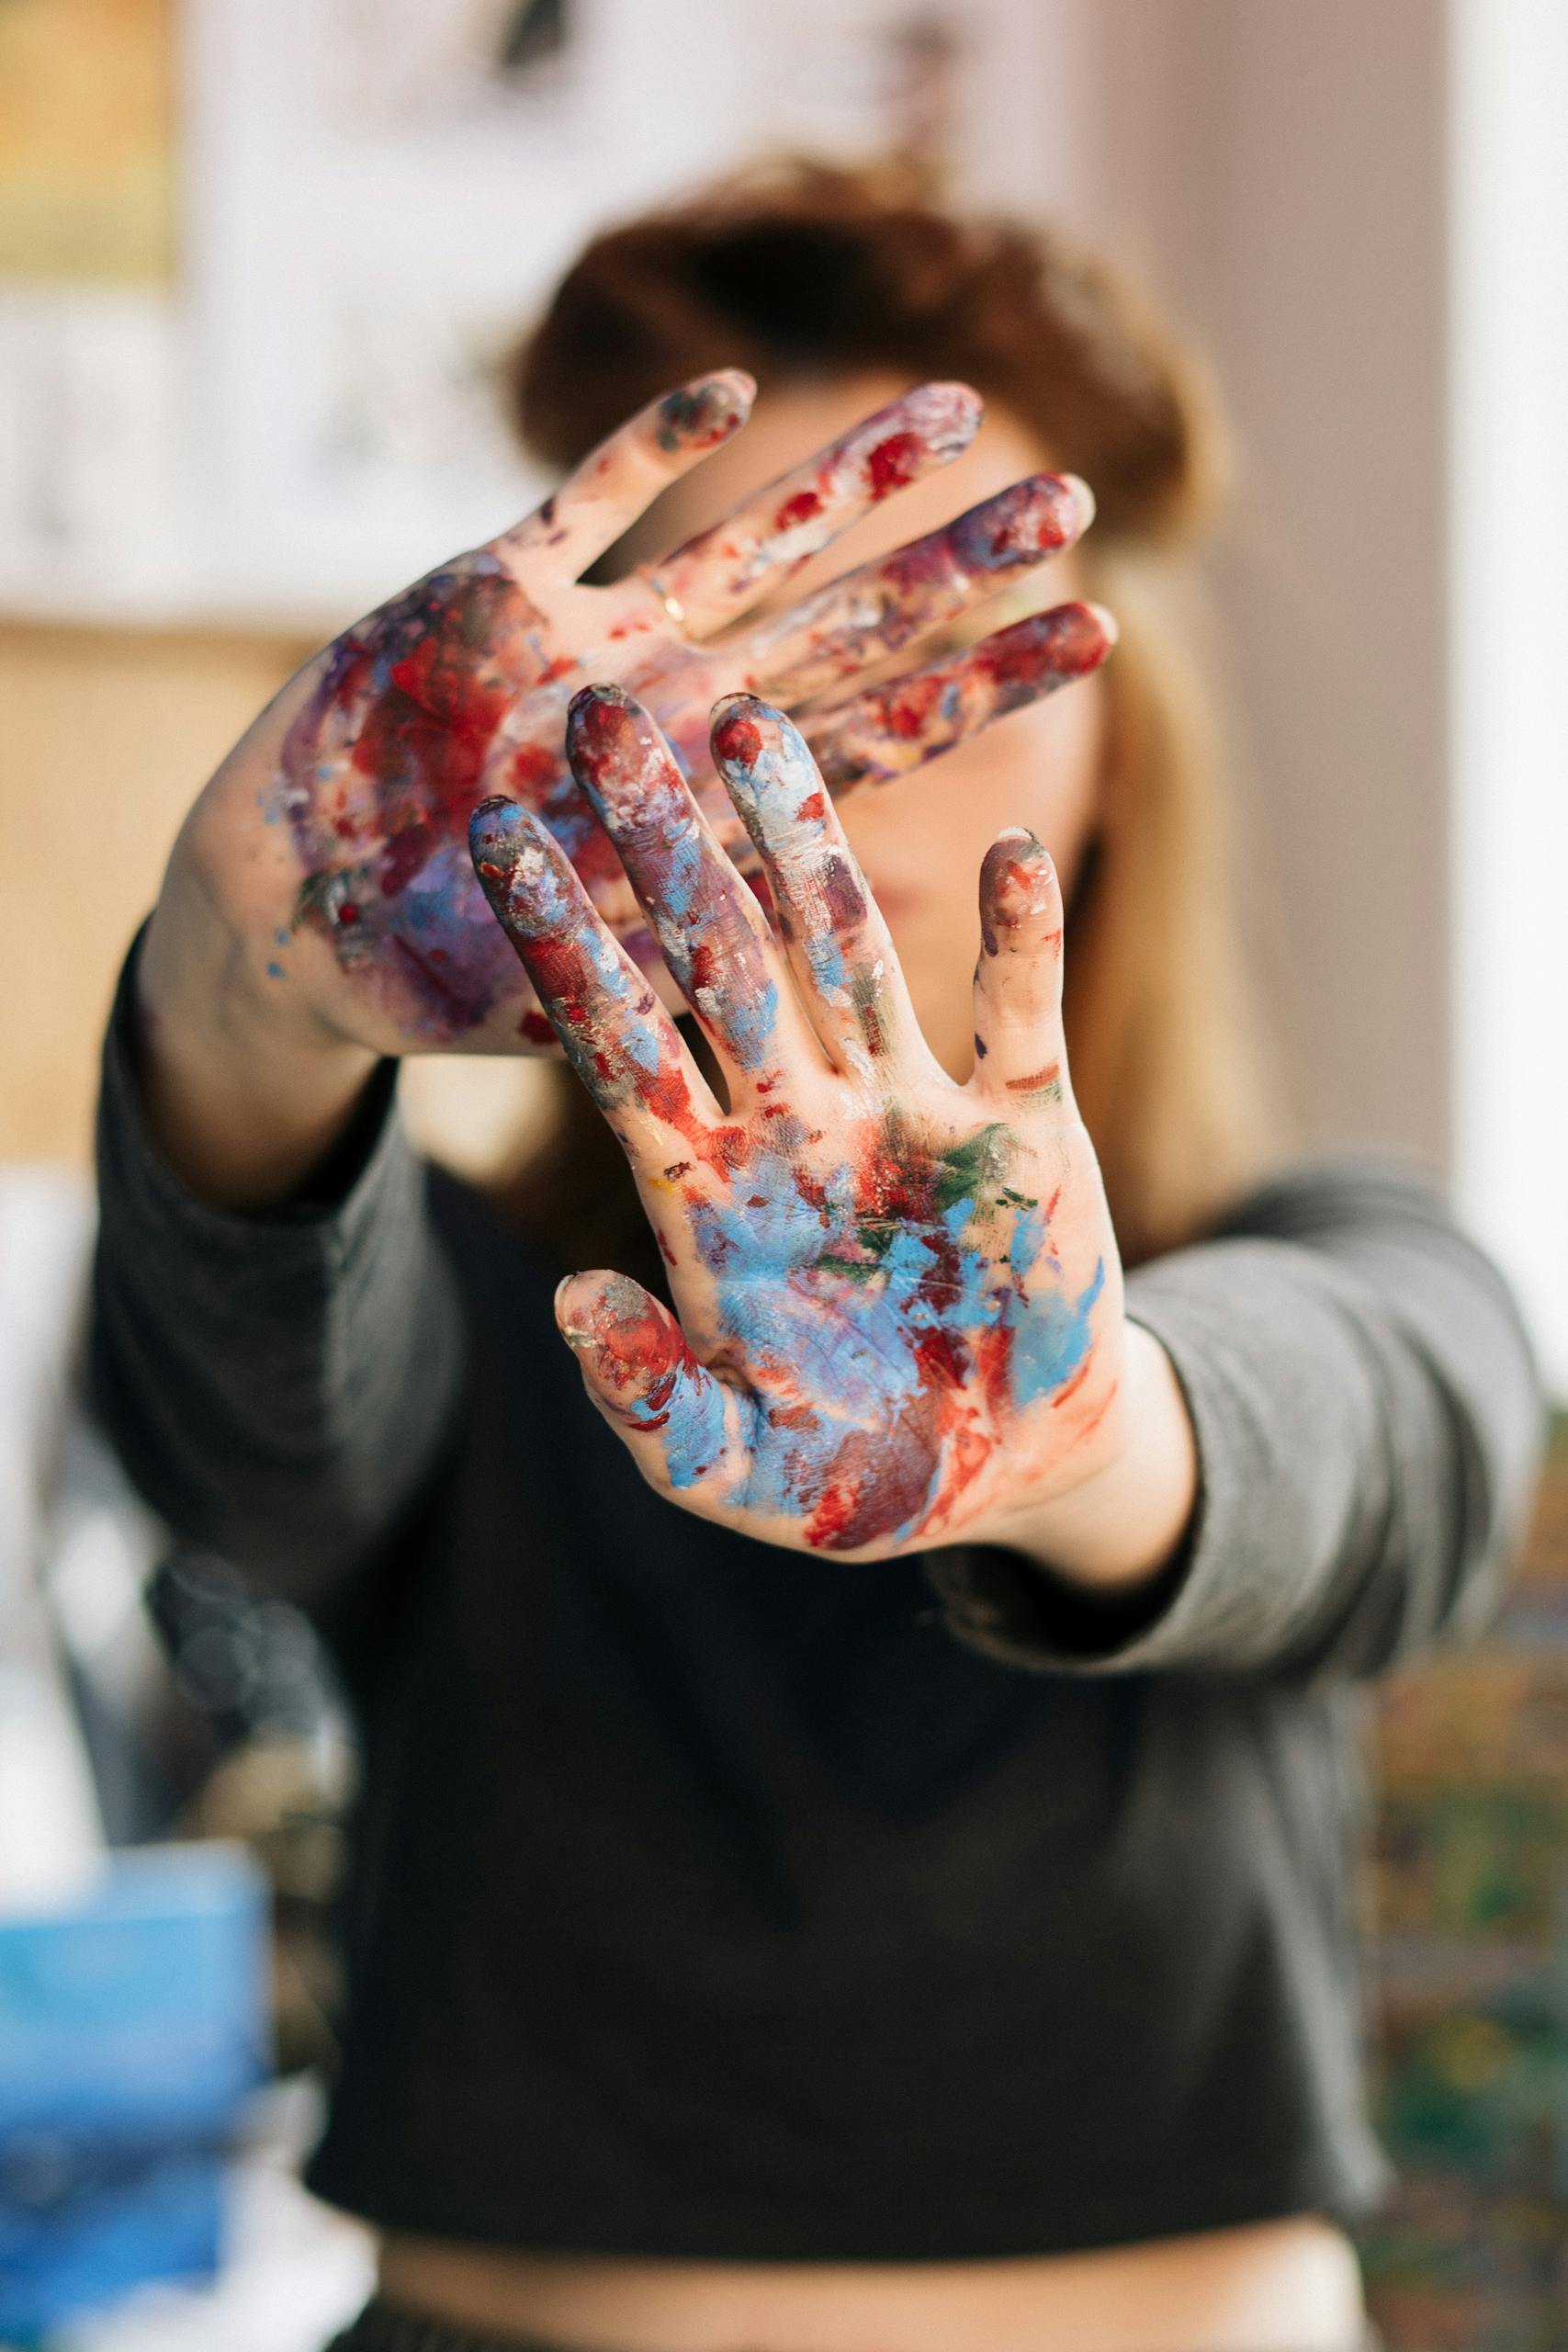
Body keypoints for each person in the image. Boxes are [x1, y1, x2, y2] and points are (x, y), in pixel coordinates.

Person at [89, 163, 1545, 2352]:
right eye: (737, 652)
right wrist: (238, 986)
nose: (813, 761)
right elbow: (241, 1453)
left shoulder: (1325, 1252)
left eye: (943, 642)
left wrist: (1073, 1430)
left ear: (1128, 746)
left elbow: (1371, 1451)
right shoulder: (480, 1306)